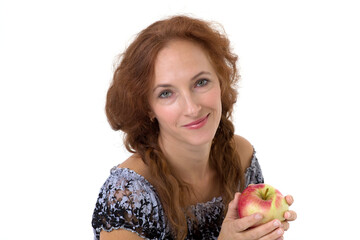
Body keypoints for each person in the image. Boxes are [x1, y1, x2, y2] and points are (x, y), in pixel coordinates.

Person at [92, 15, 297, 240]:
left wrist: (267, 229)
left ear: (220, 80)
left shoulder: (241, 156)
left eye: (201, 82)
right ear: (147, 108)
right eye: (166, 93)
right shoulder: (128, 195)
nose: (192, 108)